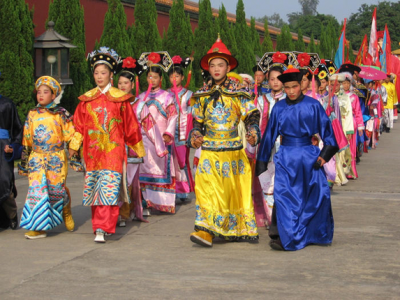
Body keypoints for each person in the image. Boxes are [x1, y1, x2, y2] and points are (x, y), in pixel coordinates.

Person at [256, 67, 339, 251]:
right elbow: (269, 135)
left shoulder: (313, 105)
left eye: (294, 86)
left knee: (315, 196)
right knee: (284, 196)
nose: (291, 91)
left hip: (309, 157)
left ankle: (314, 233)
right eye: (287, 87)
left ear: (302, 84)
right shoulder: (279, 107)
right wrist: (261, 162)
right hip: (285, 157)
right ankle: (286, 236)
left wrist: (323, 157)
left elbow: (329, 135)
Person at [189, 35, 260, 247]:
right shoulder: (202, 94)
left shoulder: (239, 92)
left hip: (233, 151)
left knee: (231, 192)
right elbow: (197, 122)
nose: (217, 69)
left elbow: (251, 116)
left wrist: (253, 131)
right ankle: (205, 230)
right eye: (213, 65)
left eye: (221, 64)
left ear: (228, 67)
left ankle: (239, 227)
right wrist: (195, 135)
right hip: (209, 150)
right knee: (206, 190)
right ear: (208, 69)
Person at [74, 47, 145, 243]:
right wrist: (73, 148)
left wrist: (138, 148)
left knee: (109, 187)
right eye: (96, 73)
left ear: (111, 74)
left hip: (113, 152)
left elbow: (130, 125)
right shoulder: (86, 100)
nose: (99, 76)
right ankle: (98, 225)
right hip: (92, 152)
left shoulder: (120, 99)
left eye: (103, 73)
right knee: (94, 188)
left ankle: (104, 227)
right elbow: (78, 126)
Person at [18, 76, 82, 239]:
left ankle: (66, 207)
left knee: (55, 191)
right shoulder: (32, 113)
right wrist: (25, 161)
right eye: (39, 92)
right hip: (37, 157)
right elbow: (26, 137)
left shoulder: (61, 113)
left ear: (53, 96)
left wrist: (73, 153)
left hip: (56, 158)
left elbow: (72, 134)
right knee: (37, 190)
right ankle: (38, 227)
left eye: (45, 92)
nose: (41, 95)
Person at [117, 57, 167, 225]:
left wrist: (160, 147)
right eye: (120, 83)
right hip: (114, 148)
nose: (122, 86)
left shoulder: (139, 104)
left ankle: (124, 213)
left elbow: (150, 126)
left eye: (126, 83)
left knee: (128, 181)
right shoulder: (113, 103)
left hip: (132, 148)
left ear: (132, 85)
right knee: (115, 180)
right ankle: (117, 212)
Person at [137, 52, 178, 215]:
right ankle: (146, 202)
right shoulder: (140, 98)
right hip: (144, 140)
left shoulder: (168, 97)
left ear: (161, 79)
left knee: (161, 169)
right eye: (149, 77)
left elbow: (173, 115)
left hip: (161, 139)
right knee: (144, 169)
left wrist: (169, 132)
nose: (151, 80)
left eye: (154, 77)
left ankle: (162, 202)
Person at [168, 56, 195, 202]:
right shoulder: (166, 94)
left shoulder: (188, 94)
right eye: (171, 76)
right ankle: (171, 190)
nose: (174, 78)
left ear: (182, 77)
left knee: (182, 162)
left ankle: (183, 191)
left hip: (183, 133)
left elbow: (193, 113)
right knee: (170, 162)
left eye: (177, 76)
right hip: (168, 133)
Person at [0, 93, 23, 230]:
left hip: (2, 146)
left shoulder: (7, 104)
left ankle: (11, 213)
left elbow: (18, 129)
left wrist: (13, 146)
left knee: (3, 180)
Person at [341, 72, 364, 179]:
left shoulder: (354, 97)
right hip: (340, 123)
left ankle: (350, 171)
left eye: (347, 83)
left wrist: (360, 126)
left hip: (352, 123)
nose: (345, 85)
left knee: (351, 147)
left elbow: (358, 112)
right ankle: (341, 171)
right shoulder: (338, 96)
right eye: (343, 83)